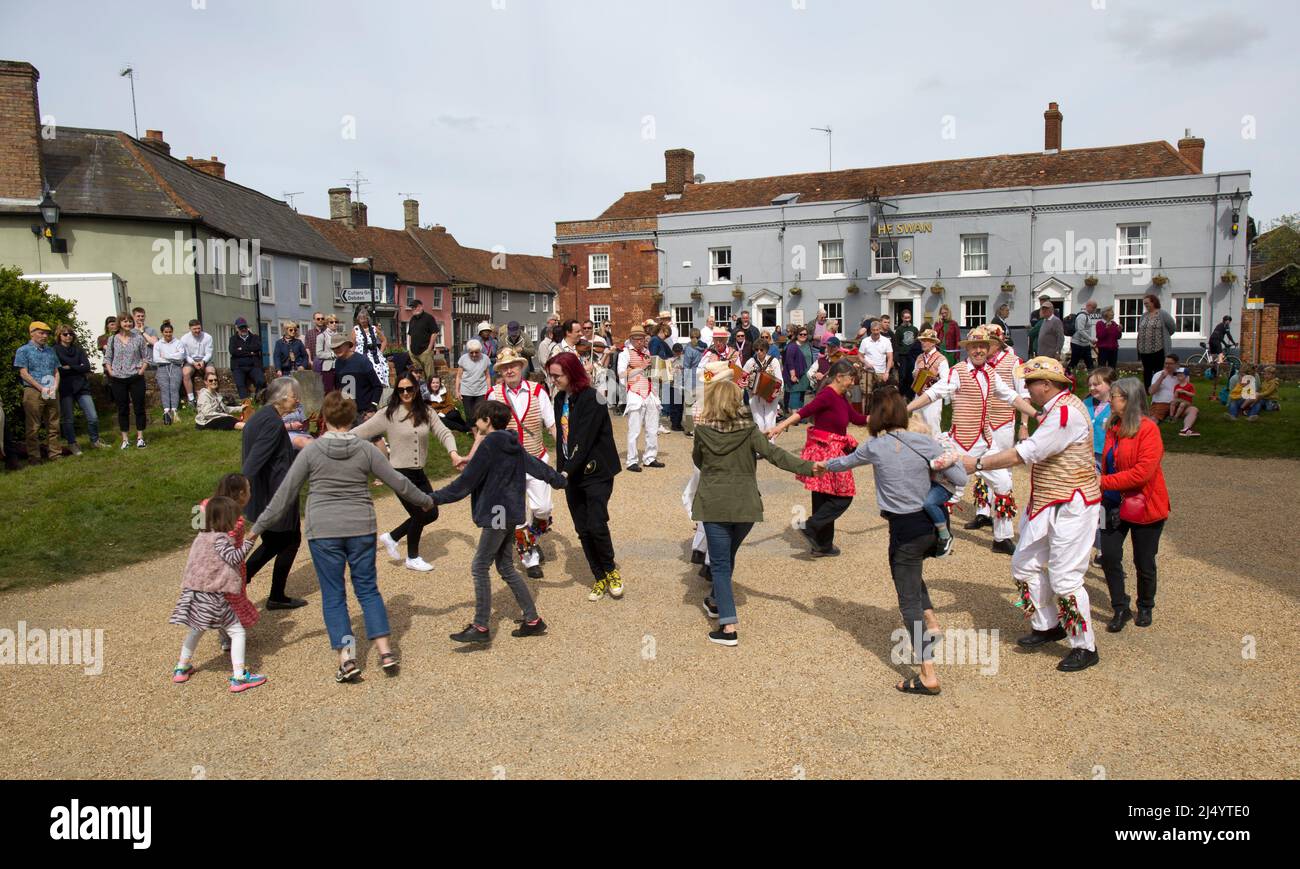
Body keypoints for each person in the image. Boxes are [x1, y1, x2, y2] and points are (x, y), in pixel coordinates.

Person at [250, 391, 431, 681]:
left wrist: (256, 529)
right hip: (360, 527)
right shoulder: (366, 450)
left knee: (334, 595)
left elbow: (284, 495)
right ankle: (385, 652)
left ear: (324, 419)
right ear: (352, 418)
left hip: (324, 531)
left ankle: (347, 659)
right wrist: (426, 500)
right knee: (368, 590)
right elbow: (399, 481)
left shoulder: (311, 450)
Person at [960, 357, 1101, 673]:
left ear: (1047, 385)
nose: (1026, 389)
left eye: (1031, 384)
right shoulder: (1055, 410)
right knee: (1023, 565)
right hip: (1048, 501)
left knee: (1065, 578)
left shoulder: (1065, 414)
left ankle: (1085, 645)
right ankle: (1048, 624)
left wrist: (977, 464)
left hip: (1073, 505)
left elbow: (1027, 453)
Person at [822, 387, 968, 693]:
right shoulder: (924, 442)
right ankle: (933, 623)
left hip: (905, 530)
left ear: (875, 415)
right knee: (911, 575)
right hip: (931, 526)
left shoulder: (875, 446)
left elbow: (843, 463)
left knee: (907, 600)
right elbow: (960, 478)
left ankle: (928, 674)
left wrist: (820, 464)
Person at [692, 362, 815, 645]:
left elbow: (698, 461)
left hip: (714, 504)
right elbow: (775, 455)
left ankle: (728, 627)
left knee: (721, 565)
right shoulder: (748, 430)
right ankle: (714, 600)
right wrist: (810, 467)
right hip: (746, 506)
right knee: (727, 557)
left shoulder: (702, 432)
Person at [429, 400, 566, 644]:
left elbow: (464, 484)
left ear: (488, 420)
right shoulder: (512, 442)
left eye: (478, 418)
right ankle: (532, 620)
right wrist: (559, 480)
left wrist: (432, 498)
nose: (475, 421)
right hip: (510, 513)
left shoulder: (489, 445)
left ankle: (481, 626)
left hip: (497, 513)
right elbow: (535, 466)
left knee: (479, 566)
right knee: (505, 567)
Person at [907, 326, 1019, 554]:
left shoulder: (1001, 367)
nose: (980, 350)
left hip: (990, 435)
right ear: (968, 349)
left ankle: (1002, 538)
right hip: (961, 440)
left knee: (1003, 482)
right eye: (974, 346)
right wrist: (905, 409)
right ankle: (936, 537)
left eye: (984, 345)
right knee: (948, 489)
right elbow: (936, 390)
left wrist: (1033, 416)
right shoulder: (958, 370)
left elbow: (1014, 395)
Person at [354, 374, 464, 572]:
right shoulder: (388, 414)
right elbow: (361, 432)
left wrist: (453, 453)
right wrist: (331, 439)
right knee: (421, 514)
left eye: (410, 389)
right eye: (401, 390)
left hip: (418, 472)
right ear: (397, 392)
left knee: (431, 513)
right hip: (398, 474)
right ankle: (412, 557)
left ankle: (393, 537)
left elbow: (444, 432)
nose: (405, 393)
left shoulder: (426, 411)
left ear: (416, 390)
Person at [767, 359, 866, 557]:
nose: (853, 382)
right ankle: (811, 527)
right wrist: (778, 427)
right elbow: (804, 412)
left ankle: (822, 545)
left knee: (824, 498)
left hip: (832, 451)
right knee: (842, 497)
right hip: (824, 452)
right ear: (839, 377)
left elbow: (857, 419)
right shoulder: (827, 395)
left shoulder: (840, 396)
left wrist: (887, 417)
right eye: (851, 378)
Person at [169, 496, 267, 693]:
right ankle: (239, 677)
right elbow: (234, 558)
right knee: (237, 631)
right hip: (214, 594)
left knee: (197, 628)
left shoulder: (202, 536)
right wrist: (249, 541)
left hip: (196, 591)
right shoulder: (220, 538)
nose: (237, 521)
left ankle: (181, 667)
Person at [549, 351, 624, 601]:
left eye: (556, 376)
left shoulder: (593, 398)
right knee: (582, 528)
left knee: (596, 523)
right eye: (551, 376)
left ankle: (611, 570)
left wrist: (564, 472)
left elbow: (583, 438)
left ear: (571, 374)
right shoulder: (560, 399)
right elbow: (563, 438)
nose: (553, 380)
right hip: (572, 472)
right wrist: (563, 468)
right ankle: (599, 576)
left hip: (596, 470)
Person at [1098, 377, 1170, 632]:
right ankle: (1120, 606)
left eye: (1114, 396)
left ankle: (1146, 604)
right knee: (1109, 556)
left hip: (1144, 504)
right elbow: (1107, 459)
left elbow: (1143, 473)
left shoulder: (1148, 428)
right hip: (1112, 503)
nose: (1110, 400)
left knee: (1144, 560)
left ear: (1127, 400)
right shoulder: (1112, 426)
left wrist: (1103, 482)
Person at [482, 348, 557, 579]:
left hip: (536, 459)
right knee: (517, 516)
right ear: (500, 372)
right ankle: (529, 557)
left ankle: (532, 537)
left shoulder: (537, 391)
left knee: (542, 509)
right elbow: (485, 431)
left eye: (513, 365)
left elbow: (552, 425)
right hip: (508, 466)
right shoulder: (493, 395)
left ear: (521, 366)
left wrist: (566, 451)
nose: (509, 370)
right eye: (504, 367)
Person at [241, 377, 308, 611]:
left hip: (267, 492)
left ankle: (245, 582)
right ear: (280, 398)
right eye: (293, 396)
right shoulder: (271, 422)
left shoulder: (262, 416)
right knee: (290, 541)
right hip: (276, 494)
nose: (296, 399)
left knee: (272, 542)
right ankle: (271, 593)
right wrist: (237, 492)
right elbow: (254, 461)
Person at [14, 321, 62, 463]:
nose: (44, 336)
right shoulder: (23, 350)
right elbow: (23, 373)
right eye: (41, 333)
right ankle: (34, 457)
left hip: (52, 390)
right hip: (33, 391)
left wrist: (55, 386)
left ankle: (55, 454)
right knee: (33, 426)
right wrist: (41, 388)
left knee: (54, 424)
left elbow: (56, 371)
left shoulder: (50, 351)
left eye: (46, 333)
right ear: (32, 333)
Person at [618, 325, 664, 471]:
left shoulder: (647, 352)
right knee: (635, 429)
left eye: (642, 339)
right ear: (631, 339)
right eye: (636, 339)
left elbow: (650, 371)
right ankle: (631, 460)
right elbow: (621, 374)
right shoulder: (624, 353)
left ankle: (650, 457)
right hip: (635, 392)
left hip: (650, 392)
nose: (639, 342)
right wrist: (641, 368)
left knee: (652, 427)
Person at [53, 326, 105, 453]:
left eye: (70, 334)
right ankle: (72, 444)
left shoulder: (78, 350)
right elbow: (58, 369)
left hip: (82, 386)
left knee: (93, 416)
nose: (68, 336)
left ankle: (95, 440)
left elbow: (86, 366)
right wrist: (77, 367)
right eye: (65, 334)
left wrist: (69, 367)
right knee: (68, 419)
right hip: (65, 387)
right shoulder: (55, 350)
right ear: (59, 335)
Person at [104, 313, 150, 450]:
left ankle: (140, 437)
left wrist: (141, 371)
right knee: (122, 409)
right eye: (125, 321)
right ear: (119, 323)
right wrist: (111, 371)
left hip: (135, 376)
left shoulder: (138, 338)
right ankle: (125, 439)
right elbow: (107, 358)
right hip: (118, 378)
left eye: (130, 321)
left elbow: (146, 357)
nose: (128, 324)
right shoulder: (112, 339)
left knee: (139, 407)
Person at [333, 332, 384, 421]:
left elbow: (377, 386)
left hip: (364, 413)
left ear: (347, 345)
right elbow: (338, 387)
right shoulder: (337, 363)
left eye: (338, 347)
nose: (336, 350)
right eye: (333, 348)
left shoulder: (362, 361)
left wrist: (373, 407)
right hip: (347, 412)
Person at [910, 329, 949, 435]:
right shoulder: (919, 357)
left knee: (932, 426)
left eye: (926, 340)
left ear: (933, 343)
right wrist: (916, 374)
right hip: (918, 395)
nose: (922, 342)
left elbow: (945, 380)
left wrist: (931, 380)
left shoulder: (941, 359)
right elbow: (914, 372)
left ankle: (936, 449)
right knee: (916, 425)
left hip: (933, 398)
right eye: (922, 340)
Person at [743, 339, 783, 434]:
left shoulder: (774, 361)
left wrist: (777, 391)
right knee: (758, 420)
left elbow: (779, 379)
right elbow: (743, 376)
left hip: (770, 395)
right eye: (756, 350)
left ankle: (770, 444)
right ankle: (760, 444)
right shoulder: (751, 362)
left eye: (762, 349)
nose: (759, 352)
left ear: (766, 349)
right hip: (755, 395)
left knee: (770, 421)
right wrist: (746, 383)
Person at [1136, 294, 1176, 387]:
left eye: (1147, 303)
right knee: (1147, 370)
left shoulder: (1162, 314)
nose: (1145, 305)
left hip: (1158, 349)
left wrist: (1164, 336)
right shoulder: (1144, 316)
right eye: (1144, 303)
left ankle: (1158, 387)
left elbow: (1172, 327)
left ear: (1153, 302)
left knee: (1158, 370)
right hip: (1144, 350)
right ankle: (1147, 389)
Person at [151, 321, 185, 425]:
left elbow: (181, 356)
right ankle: (166, 411)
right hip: (162, 368)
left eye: (170, 332)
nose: (168, 334)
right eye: (166, 332)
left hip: (175, 367)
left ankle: (174, 410)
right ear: (162, 332)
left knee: (174, 388)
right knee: (165, 389)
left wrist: (165, 355)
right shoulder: (157, 344)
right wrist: (173, 357)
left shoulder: (178, 342)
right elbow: (156, 359)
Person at [1083, 367, 1116, 466]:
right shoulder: (1085, 403)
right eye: (1090, 385)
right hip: (1087, 452)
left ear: (1111, 384)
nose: (1092, 388)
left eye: (1096, 384)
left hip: (1108, 453)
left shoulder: (1116, 405)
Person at [455, 338, 492, 423]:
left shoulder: (485, 359)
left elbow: (487, 376)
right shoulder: (463, 359)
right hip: (466, 390)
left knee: (481, 413)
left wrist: (489, 389)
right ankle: (475, 433)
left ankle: (480, 432)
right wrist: (457, 391)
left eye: (476, 352)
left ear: (480, 351)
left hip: (481, 390)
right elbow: (459, 376)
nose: (474, 354)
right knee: (469, 415)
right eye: (471, 352)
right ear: (468, 351)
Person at [179, 319, 213, 409]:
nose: (197, 331)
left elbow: (209, 353)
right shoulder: (184, 339)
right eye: (195, 329)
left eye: (199, 328)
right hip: (191, 361)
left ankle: (212, 396)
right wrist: (193, 363)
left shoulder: (208, 337)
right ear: (190, 328)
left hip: (205, 359)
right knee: (185, 373)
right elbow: (185, 355)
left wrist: (203, 361)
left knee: (211, 372)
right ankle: (191, 399)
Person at [228, 317, 265, 399]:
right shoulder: (233, 339)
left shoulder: (255, 337)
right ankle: (246, 404)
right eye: (241, 327)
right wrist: (251, 352)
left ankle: (257, 399)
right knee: (240, 384)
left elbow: (258, 347)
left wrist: (241, 349)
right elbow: (233, 352)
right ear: (237, 328)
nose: (243, 329)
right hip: (238, 366)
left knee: (261, 381)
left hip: (253, 365)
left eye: (245, 327)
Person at [783, 325, 814, 414]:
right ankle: (794, 417)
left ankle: (800, 415)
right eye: (801, 334)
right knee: (794, 394)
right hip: (795, 374)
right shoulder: (792, 346)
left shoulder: (808, 345)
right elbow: (789, 361)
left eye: (805, 334)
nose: (803, 336)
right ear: (797, 335)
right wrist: (792, 374)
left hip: (805, 375)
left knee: (801, 395)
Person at [858, 319, 893, 394]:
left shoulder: (886, 341)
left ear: (880, 329)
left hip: (881, 371)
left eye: (877, 330)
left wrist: (887, 372)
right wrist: (865, 362)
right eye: (873, 330)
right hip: (867, 371)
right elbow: (860, 355)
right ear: (870, 330)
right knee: (866, 394)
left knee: (881, 395)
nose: (875, 332)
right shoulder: (865, 341)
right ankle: (866, 406)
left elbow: (890, 358)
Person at [1068, 300, 1100, 374]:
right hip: (1077, 344)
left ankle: (1092, 379)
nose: (1095, 310)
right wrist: (1091, 339)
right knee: (1074, 362)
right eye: (1094, 308)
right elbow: (1080, 330)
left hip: (1085, 344)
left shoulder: (1087, 316)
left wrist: (1089, 340)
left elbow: (1085, 330)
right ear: (1088, 306)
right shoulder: (1082, 316)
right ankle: (1067, 376)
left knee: (1090, 363)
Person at [1169, 368, 1200, 437]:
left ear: (1186, 376)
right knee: (1173, 402)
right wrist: (1177, 392)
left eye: (1181, 375)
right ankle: (1171, 416)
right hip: (1179, 400)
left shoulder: (1189, 385)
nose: (1179, 377)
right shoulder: (1177, 386)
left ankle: (1176, 417)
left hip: (1187, 402)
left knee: (1182, 404)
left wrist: (1184, 392)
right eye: (1178, 375)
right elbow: (1175, 397)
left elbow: (1193, 394)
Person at [1147, 354, 1178, 422]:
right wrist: (1161, 378)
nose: (1167, 365)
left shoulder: (1181, 375)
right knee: (1153, 419)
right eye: (1166, 363)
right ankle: (1147, 431)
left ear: (1176, 364)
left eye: (1170, 363)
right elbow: (1151, 391)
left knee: (1193, 410)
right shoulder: (1158, 374)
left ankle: (1187, 429)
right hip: (1161, 403)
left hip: (1176, 404)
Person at [316, 315, 339, 393]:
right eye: (331, 322)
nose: (334, 324)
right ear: (327, 324)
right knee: (328, 391)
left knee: (340, 391)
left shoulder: (340, 335)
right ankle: (328, 405)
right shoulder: (321, 336)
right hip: (328, 367)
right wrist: (332, 355)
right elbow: (319, 354)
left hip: (340, 366)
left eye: (336, 322)